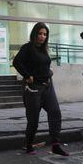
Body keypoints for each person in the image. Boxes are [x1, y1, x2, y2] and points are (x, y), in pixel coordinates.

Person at [13, 22, 68, 156]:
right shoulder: (27, 48)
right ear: (34, 34)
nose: (42, 37)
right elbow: (16, 62)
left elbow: (42, 64)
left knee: (55, 112)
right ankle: (28, 145)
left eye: (45, 34)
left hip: (48, 86)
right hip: (34, 89)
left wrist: (48, 72)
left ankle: (55, 144)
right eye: (40, 34)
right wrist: (27, 75)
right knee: (33, 119)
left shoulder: (44, 49)